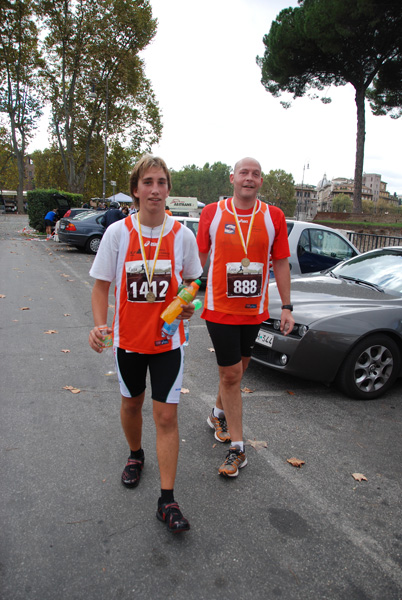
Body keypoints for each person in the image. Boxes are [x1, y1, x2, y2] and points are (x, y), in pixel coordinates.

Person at [89, 155, 202, 532]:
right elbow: (101, 286)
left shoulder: (182, 235)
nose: (155, 189)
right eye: (148, 182)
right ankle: (136, 454)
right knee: (131, 403)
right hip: (128, 341)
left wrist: (187, 304)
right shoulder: (118, 233)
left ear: (169, 189)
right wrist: (99, 326)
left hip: (169, 343)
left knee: (167, 416)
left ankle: (166, 501)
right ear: (136, 189)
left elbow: (193, 283)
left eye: (162, 182)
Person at [196, 157, 295, 478]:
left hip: (254, 311)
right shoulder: (212, 212)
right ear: (232, 179)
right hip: (219, 309)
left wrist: (287, 307)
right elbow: (199, 257)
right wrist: (187, 293)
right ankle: (238, 448)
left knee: (237, 372)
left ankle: (216, 414)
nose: (249, 178)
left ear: (260, 182)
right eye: (243, 173)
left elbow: (280, 263)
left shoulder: (273, 216)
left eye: (255, 174)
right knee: (231, 376)